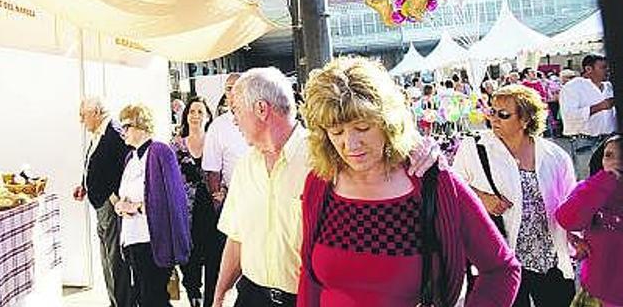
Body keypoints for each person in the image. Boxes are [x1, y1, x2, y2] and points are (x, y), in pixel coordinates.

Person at [212, 67, 444, 307]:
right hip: (251, 296)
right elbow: (236, 236)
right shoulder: (245, 167)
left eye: (236, 110)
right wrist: (220, 294)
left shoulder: (329, 159)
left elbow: (385, 159)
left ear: (261, 109)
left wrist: (419, 150)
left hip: (310, 299)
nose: (233, 119)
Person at [298, 56, 520, 306]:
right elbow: (310, 277)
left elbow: (502, 269)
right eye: (336, 132)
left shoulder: (431, 183)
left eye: (362, 128)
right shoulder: (321, 183)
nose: (350, 145)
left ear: (387, 122)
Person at [453, 84, 577, 307]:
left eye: (503, 114)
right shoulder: (474, 148)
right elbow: (453, 191)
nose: (494, 119)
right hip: (502, 265)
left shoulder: (555, 156)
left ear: (526, 119)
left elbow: (570, 203)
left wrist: (576, 237)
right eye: (492, 111)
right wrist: (482, 197)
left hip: (549, 260)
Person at [116, 104, 190, 307]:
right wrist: (120, 206)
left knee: (154, 299)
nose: (123, 132)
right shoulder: (130, 157)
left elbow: (171, 200)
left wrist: (136, 207)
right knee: (143, 297)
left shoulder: (159, 151)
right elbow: (126, 194)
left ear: (140, 125)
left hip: (152, 240)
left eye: (127, 126)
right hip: (133, 239)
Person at [74, 98, 132, 307]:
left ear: (97, 112)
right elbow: (94, 162)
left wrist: (114, 196)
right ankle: (114, 301)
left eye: (84, 115)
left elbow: (126, 166)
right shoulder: (100, 134)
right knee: (107, 257)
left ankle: (122, 303)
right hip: (100, 203)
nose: (81, 120)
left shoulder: (114, 133)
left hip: (110, 205)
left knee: (115, 259)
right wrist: (84, 184)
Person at [556, 135, 623, 307]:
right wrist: (601, 184)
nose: (616, 161)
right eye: (609, 155)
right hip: (595, 292)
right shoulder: (593, 188)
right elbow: (567, 220)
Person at [202, 73, 249, 298]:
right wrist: (216, 200)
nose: (232, 93)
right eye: (228, 88)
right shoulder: (218, 127)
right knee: (232, 261)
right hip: (232, 200)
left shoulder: (258, 117)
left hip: (263, 198)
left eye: (237, 87)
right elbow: (212, 169)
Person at [172, 96, 216, 307]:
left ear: (207, 116)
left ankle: (211, 301)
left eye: (200, 112)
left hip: (211, 210)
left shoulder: (215, 143)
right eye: (192, 111)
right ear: (185, 115)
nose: (195, 116)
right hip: (185, 211)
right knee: (188, 258)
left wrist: (223, 190)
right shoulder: (176, 145)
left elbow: (224, 173)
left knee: (213, 256)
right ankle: (193, 296)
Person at [560, 54, 616, 156]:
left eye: (608, 67)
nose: (607, 70)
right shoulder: (573, 87)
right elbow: (569, 116)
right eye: (603, 67)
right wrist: (600, 106)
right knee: (587, 172)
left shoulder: (609, 86)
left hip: (610, 141)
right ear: (589, 69)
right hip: (584, 143)